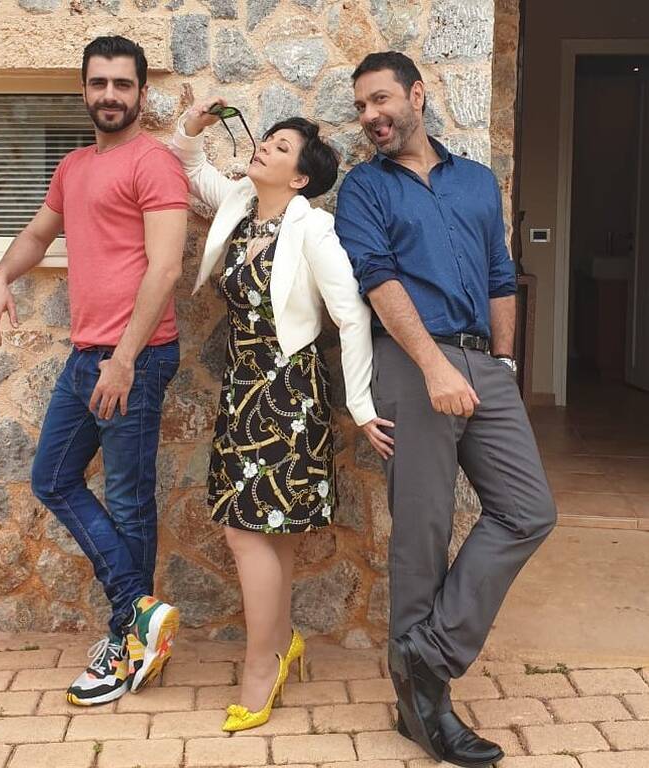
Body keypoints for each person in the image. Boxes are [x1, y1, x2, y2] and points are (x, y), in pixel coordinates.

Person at [335, 51, 557, 767]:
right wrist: (433, 367)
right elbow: (378, 280)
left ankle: (423, 656)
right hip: (412, 363)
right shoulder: (364, 189)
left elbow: (499, 274)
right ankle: (423, 711)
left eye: (380, 100)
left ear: (417, 95)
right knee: (422, 533)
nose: (370, 116)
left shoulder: (477, 181)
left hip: (483, 364)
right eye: (361, 106)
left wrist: (504, 366)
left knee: (528, 510)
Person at [170, 99, 393, 732]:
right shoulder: (241, 202)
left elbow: (351, 316)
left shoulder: (312, 229)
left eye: (281, 146)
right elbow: (191, 166)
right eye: (266, 138)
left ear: (299, 178)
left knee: (247, 531)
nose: (264, 146)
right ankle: (283, 641)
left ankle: (260, 665)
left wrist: (361, 405)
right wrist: (194, 124)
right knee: (269, 532)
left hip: (288, 391)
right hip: (242, 383)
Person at [0, 35, 189, 707]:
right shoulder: (73, 167)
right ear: (84, 90)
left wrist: (124, 360)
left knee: (128, 500)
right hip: (85, 357)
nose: (110, 94)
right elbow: (39, 234)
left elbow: (166, 267)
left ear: (141, 93)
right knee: (52, 477)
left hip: (135, 358)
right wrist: (0, 277)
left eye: (122, 84)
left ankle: (131, 641)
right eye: (99, 83)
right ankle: (140, 614)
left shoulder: (154, 163)